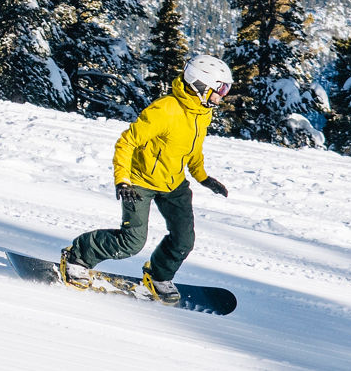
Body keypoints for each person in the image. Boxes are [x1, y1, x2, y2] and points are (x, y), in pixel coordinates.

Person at [58, 55, 237, 305]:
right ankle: (77, 257)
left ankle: (158, 276)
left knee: (184, 240)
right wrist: (122, 179)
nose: (224, 95)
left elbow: (193, 149)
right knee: (131, 242)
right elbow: (127, 142)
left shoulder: (202, 113)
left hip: (174, 184)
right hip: (140, 182)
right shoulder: (164, 110)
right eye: (221, 88)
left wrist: (203, 177)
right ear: (201, 85)